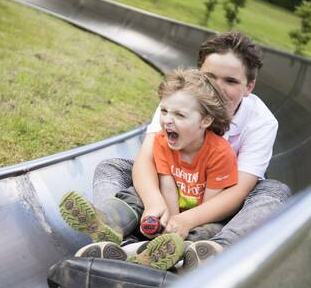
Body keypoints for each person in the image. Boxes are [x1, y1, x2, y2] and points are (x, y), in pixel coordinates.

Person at [68, 31, 291, 271]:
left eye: (231, 81)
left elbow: (240, 189)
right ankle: (118, 238)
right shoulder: (180, 102)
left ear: (249, 87)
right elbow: (148, 158)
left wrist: (186, 220)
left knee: (276, 192)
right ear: (197, 76)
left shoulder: (261, 122)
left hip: (219, 204)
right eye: (210, 77)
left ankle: (210, 250)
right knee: (113, 167)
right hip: (173, 189)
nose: (217, 87)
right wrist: (155, 204)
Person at [60, 68, 238, 270]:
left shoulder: (220, 152)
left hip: (199, 217)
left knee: (213, 229)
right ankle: (109, 221)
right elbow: (167, 184)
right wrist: (166, 222)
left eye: (179, 114)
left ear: (205, 120)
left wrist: (181, 224)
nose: (167, 120)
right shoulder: (162, 141)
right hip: (169, 209)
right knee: (134, 197)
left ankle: (182, 252)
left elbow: (210, 204)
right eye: (164, 111)